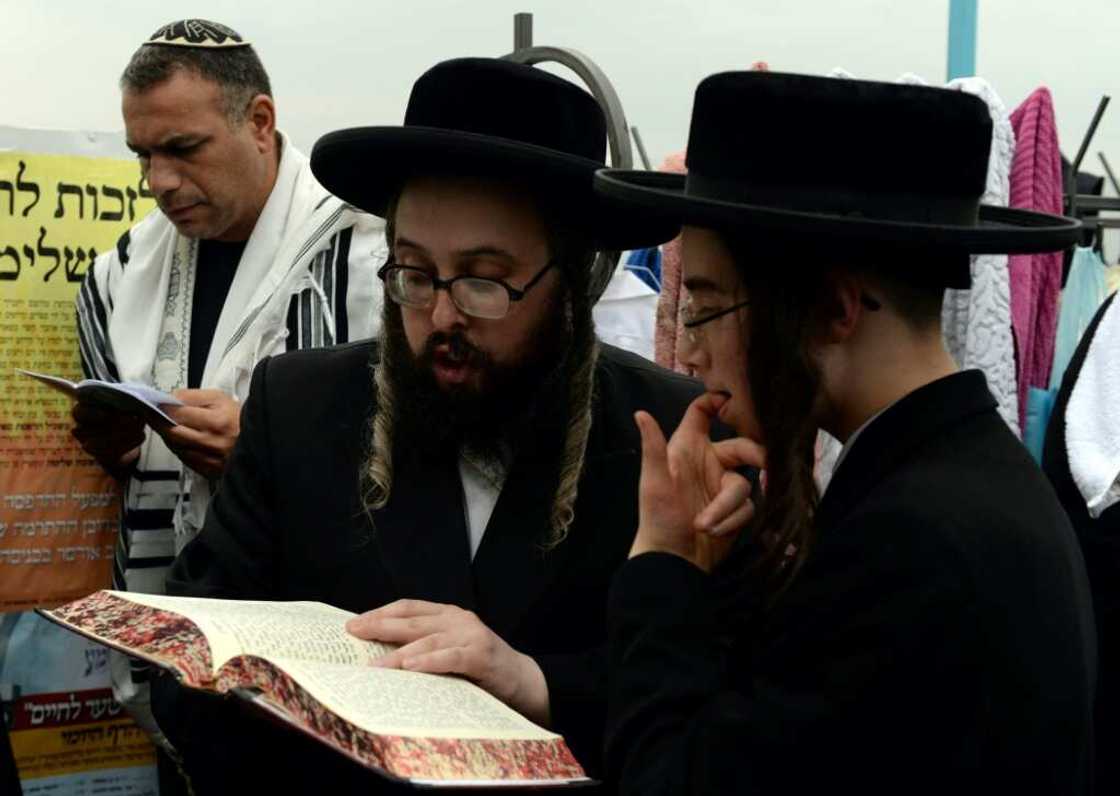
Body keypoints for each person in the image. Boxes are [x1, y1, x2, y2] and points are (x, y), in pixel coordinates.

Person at [152, 58, 734, 793]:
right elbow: (192, 663)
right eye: (414, 275)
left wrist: (535, 684)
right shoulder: (299, 407)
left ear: (573, 279)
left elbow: (714, 701)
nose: (443, 317)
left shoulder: (670, 434)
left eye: (484, 280)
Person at [595, 71, 1097, 794]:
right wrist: (732, 573)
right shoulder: (962, 481)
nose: (689, 348)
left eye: (703, 307)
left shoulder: (908, 544)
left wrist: (662, 565)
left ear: (833, 310)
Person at [71, 18, 384, 750]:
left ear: (261, 122)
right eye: (143, 155)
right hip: (173, 657)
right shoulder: (118, 274)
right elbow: (129, 475)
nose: (159, 182)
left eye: (182, 149)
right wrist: (116, 443)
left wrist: (267, 448)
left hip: (332, 668)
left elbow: (435, 464)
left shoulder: (367, 260)